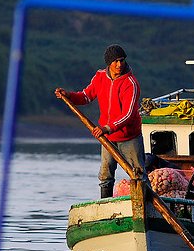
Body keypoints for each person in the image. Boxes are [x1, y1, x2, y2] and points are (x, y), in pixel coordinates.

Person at [55, 44, 146, 198]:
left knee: (138, 175)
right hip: (108, 139)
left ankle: (144, 204)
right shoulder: (99, 77)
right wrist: (69, 95)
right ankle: (106, 204)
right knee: (105, 175)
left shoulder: (131, 83)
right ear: (108, 63)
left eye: (122, 60)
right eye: (115, 61)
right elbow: (85, 96)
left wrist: (107, 128)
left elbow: (129, 114)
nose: (119, 64)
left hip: (129, 137)